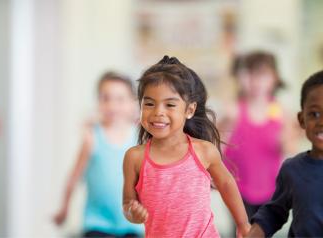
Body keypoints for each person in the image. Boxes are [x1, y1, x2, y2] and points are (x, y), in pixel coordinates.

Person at [122, 56, 250, 237]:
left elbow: (226, 183)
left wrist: (243, 224)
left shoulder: (204, 151)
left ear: (189, 110)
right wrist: (132, 213)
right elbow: (128, 202)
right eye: (149, 103)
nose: (158, 112)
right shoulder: (135, 157)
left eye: (170, 104)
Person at [54, 71, 143, 237]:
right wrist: (64, 209)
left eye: (120, 99)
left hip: (132, 224)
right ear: (98, 102)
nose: (112, 106)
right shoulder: (92, 137)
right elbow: (73, 178)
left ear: (133, 104)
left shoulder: (139, 139)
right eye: (105, 98)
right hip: (97, 223)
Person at [247, 70, 323, 237]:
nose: (321, 122)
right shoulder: (292, 169)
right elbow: (273, 213)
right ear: (302, 120)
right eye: (314, 114)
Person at [221, 51, 296, 219]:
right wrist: (228, 122)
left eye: (262, 75)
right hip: (237, 189)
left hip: (270, 189)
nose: (257, 82)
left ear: (274, 78)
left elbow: (289, 148)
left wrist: (286, 134)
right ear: (242, 78)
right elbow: (216, 150)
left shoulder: (281, 112)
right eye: (251, 75)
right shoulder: (233, 111)